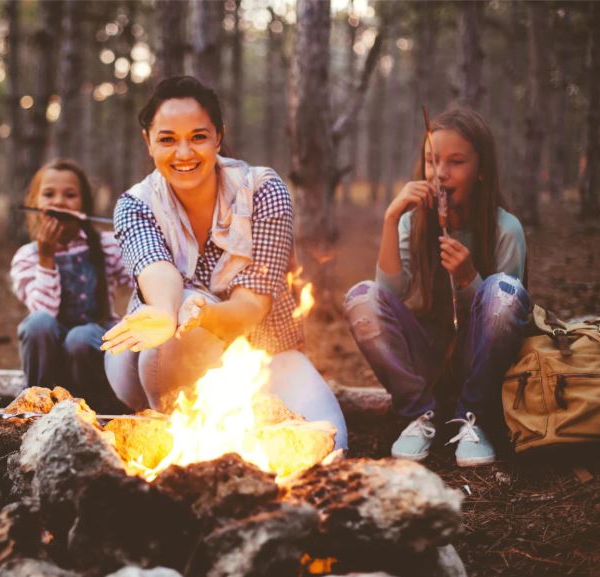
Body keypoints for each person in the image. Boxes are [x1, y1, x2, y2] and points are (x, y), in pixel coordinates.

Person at [101, 76, 348, 451]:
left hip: (261, 348)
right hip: (150, 360)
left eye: (198, 137)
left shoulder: (263, 190)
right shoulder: (135, 204)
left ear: (219, 137)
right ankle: (171, 436)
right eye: (167, 139)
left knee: (331, 443)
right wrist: (167, 312)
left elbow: (251, 307)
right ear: (148, 141)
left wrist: (203, 316)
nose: (184, 153)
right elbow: (157, 269)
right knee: (179, 312)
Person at [344, 107, 531, 467]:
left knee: (502, 291)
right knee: (361, 297)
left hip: (482, 368)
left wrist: (469, 279)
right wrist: (391, 219)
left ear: (481, 169)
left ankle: (473, 417)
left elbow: (505, 324)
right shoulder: (412, 223)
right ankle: (419, 413)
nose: (440, 173)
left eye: (456, 162)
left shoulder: (506, 230)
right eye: (431, 161)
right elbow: (386, 297)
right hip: (427, 362)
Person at [11, 159, 131, 413]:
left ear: (84, 205)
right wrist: (46, 257)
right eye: (48, 194)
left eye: (70, 195)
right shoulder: (27, 257)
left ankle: (98, 410)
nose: (59, 202)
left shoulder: (107, 245)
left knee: (80, 337)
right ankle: (35, 405)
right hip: (51, 357)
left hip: (94, 348)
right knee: (37, 324)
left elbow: (141, 278)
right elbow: (43, 313)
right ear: (34, 203)